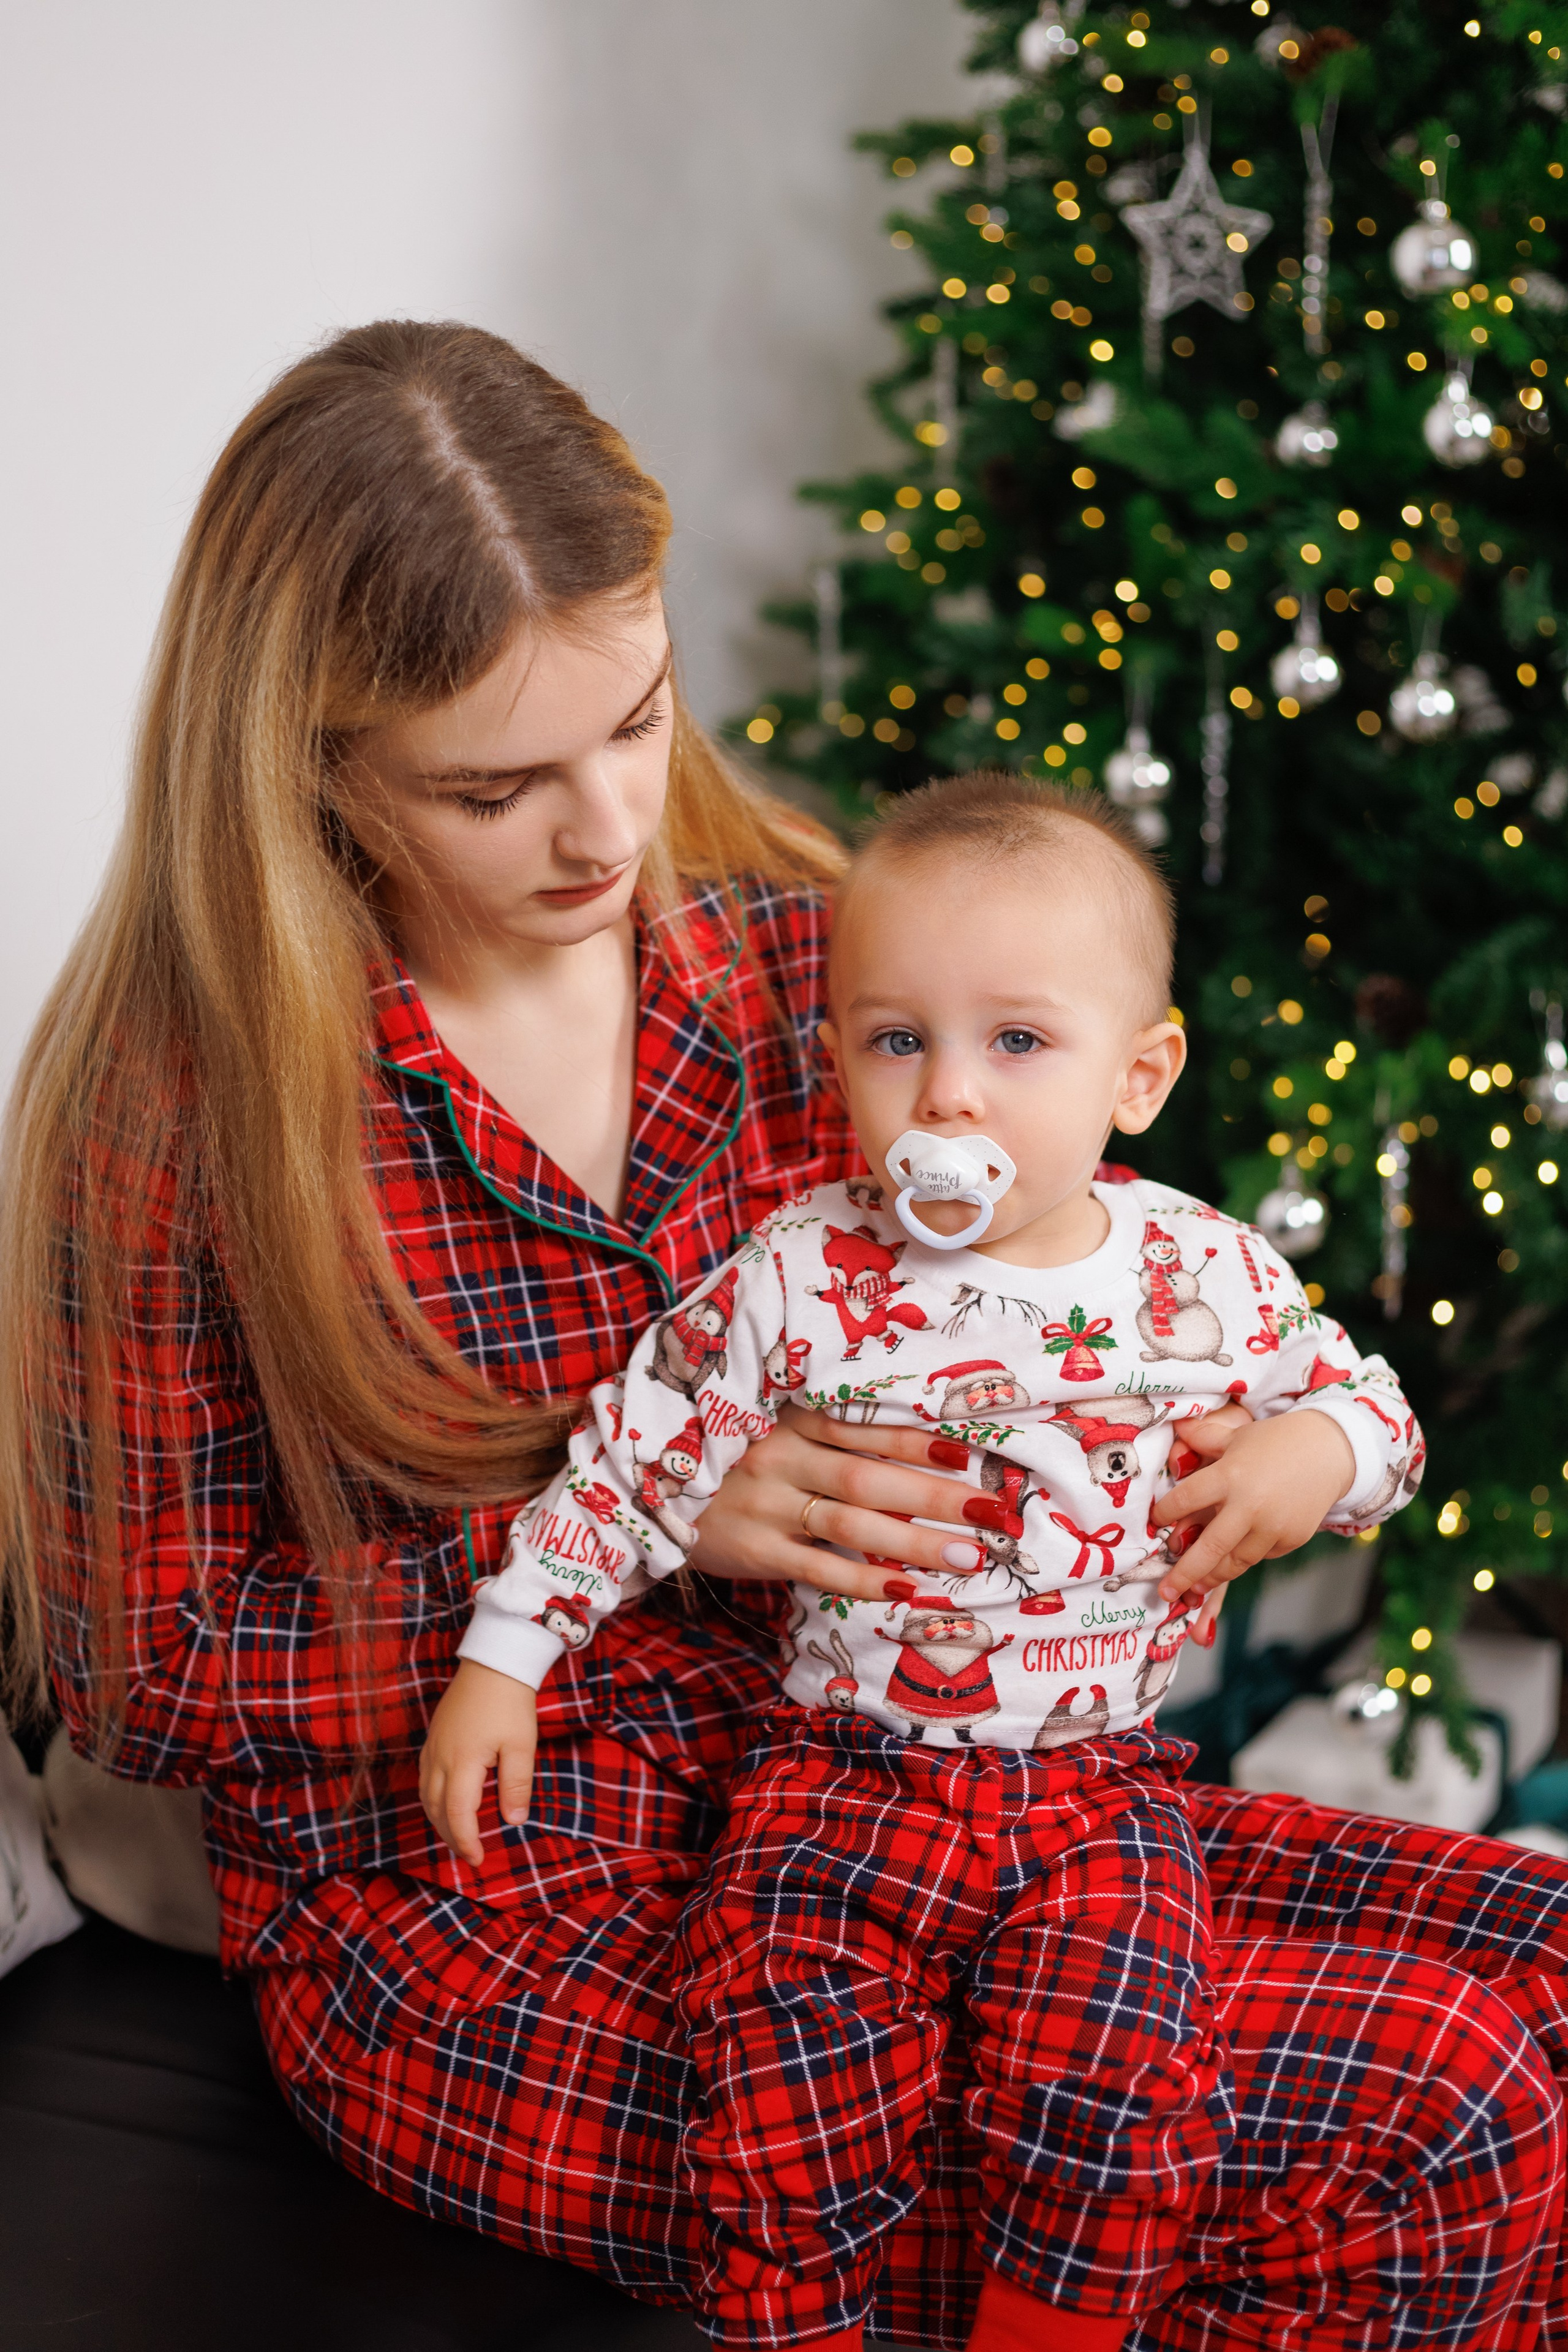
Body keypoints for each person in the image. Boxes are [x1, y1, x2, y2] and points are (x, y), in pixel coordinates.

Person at [0, 320, 1564, 2352]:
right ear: (313, 756)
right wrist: (658, 1528)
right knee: (1450, 2098)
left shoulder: (798, 964)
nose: (602, 832)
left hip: (910, 1790)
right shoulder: (183, 1104)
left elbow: (1075, 1233)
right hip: (491, 1908)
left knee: (1539, 1955)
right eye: (497, 785)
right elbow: (139, 1675)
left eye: (637, 723)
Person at [420, 774, 1425, 2352]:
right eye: (899, 1041)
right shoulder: (801, 1271)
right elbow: (629, 1462)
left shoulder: (1201, 1275)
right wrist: (502, 1661)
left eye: (1017, 1043)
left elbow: (1376, 1417)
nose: (948, 1096)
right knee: (772, 2063)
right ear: (842, 1063)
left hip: (1096, 1786)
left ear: (1138, 1075)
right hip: (841, 1775)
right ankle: (792, 2324)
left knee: (1117, 2065)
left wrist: (1318, 1456)